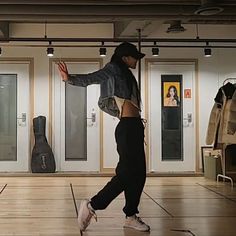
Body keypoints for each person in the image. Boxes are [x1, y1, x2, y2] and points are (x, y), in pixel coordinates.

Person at [57, 42, 150, 233]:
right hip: (127, 128)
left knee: (139, 174)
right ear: (125, 57)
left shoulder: (127, 74)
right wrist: (70, 79)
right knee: (125, 174)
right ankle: (92, 205)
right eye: (134, 57)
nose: (136, 61)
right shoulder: (115, 68)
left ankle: (131, 216)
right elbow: (94, 78)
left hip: (135, 127)